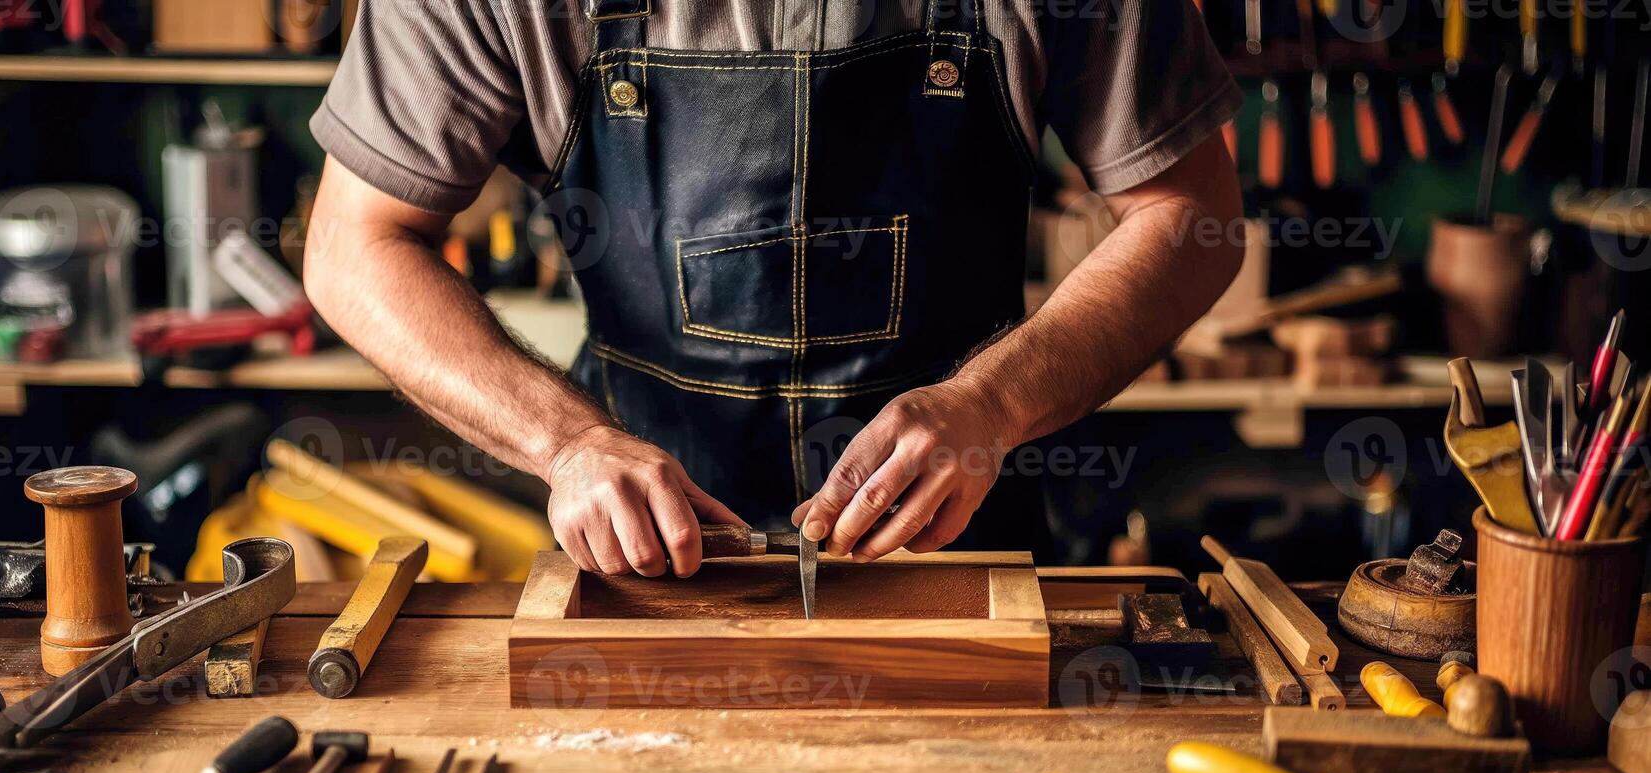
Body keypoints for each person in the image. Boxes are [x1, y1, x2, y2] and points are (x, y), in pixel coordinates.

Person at [304, 1, 1244, 577]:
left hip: (962, 549)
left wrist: (991, 401)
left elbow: (1189, 216)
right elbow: (357, 243)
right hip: (644, 561)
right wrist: (568, 443)